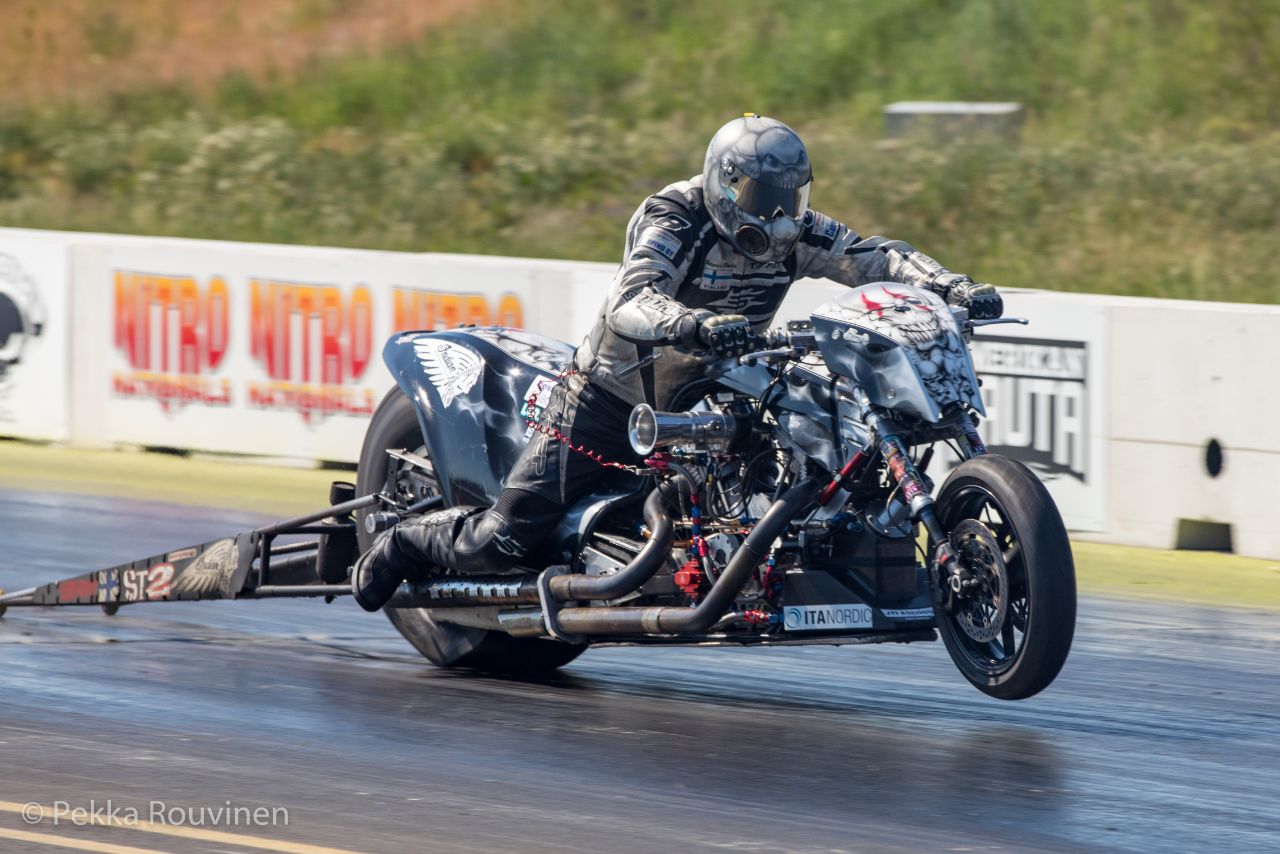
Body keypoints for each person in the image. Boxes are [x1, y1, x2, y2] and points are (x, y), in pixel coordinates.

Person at [352, 114, 1001, 611]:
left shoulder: (793, 232)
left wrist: (949, 284)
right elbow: (631, 298)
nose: (776, 215)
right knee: (505, 542)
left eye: (790, 197)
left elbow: (873, 255)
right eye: (760, 195)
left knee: (813, 427)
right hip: (608, 401)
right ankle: (401, 543)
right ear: (725, 184)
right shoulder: (675, 216)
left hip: (714, 394)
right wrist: (691, 323)